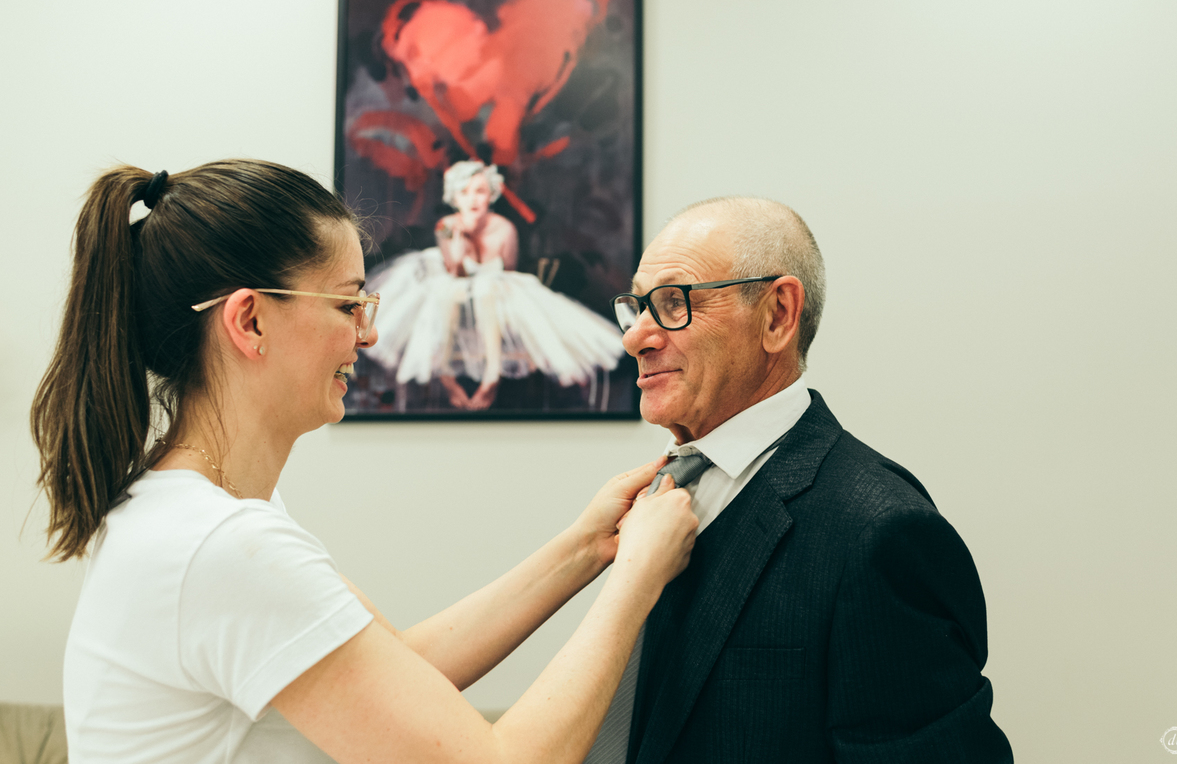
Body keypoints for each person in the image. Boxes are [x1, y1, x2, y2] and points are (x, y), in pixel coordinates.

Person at [30, 159, 698, 764]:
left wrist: (587, 545)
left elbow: (402, 665)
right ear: (250, 322)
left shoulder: (196, 510)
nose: (370, 332)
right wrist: (637, 575)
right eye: (350, 303)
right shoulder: (221, 546)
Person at [587, 197, 1013, 763]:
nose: (635, 337)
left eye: (672, 302)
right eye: (636, 306)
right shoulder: (651, 501)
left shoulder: (879, 532)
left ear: (777, 315)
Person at [365, 160, 626, 411]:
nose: (473, 199)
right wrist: (459, 242)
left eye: (480, 191)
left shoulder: (505, 229)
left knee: (488, 288)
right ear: (454, 198)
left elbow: (507, 273)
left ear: (491, 194)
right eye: (464, 193)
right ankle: (446, 377)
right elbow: (454, 270)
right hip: (452, 288)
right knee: (448, 292)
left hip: (491, 296)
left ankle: (492, 375)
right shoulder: (446, 226)